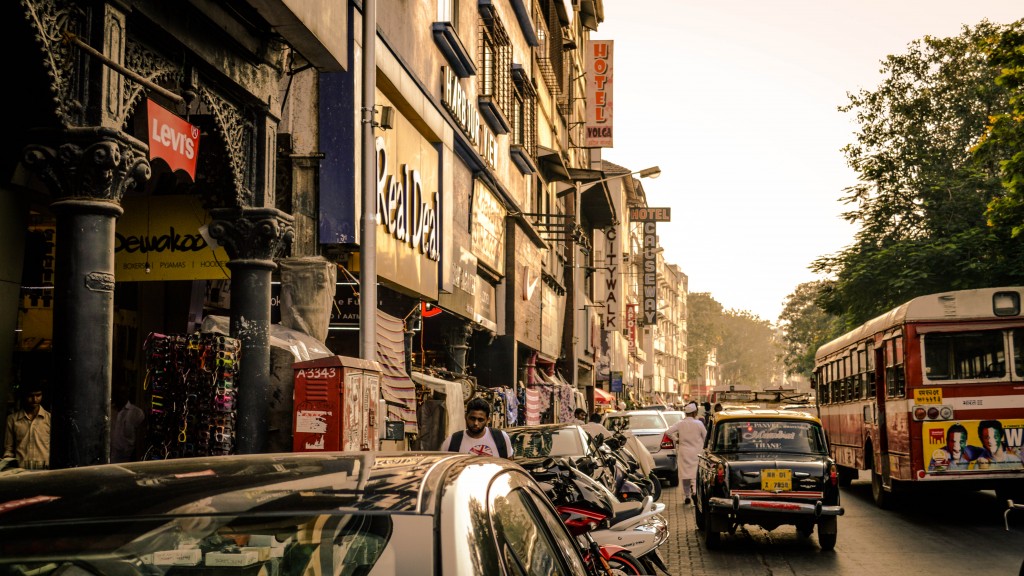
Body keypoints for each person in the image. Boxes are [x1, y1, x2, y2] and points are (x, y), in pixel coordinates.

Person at [440, 397, 513, 459]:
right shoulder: (452, 442)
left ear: (488, 420)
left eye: (480, 420)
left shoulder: (501, 438)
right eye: (472, 418)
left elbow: (510, 468)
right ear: (466, 416)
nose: (476, 423)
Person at [665, 401, 706, 504]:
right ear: (693, 413)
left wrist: (676, 439)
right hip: (697, 452)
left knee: (685, 475)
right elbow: (705, 437)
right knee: (694, 474)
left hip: (684, 452)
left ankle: (687, 495)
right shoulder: (699, 424)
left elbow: (668, 432)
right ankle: (695, 492)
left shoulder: (680, 423)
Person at [3, 385, 51, 470]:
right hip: (21, 471)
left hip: (45, 470)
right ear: (24, 396)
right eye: (30, 396)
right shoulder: (12, 419)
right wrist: (7, 464)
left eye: (38, 395)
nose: (34, 399)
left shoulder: (50, 419)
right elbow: (8, 449)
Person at [110, 386, 146, 463]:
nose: (120, 396)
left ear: (127, 394)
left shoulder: (136, 413)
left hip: (125, 459)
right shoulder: (110, 410)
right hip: (109, 458)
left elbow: (140, 440)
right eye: (118, 393)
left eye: (122, 393)